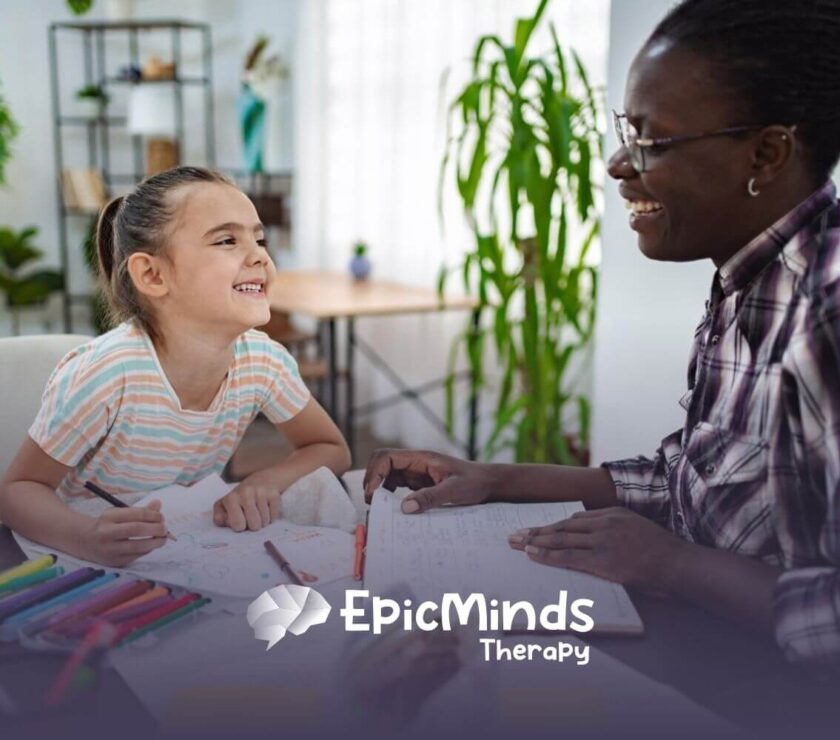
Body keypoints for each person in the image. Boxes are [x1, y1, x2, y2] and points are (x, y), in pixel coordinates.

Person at [364, 0, 840, 665]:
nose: (619, 165)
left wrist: (673, 565)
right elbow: (687, 478)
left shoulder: (826, 306)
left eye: (653, 140)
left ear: (765, 153)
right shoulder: (750, 282)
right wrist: (493, 479)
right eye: (626, 130)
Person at [0, 167, 351, 567]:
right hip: (82, 556)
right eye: (226, 240)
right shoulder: (107, 373)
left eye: (259, 238)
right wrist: (87, 537)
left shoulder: (263, 362)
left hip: (182, 547)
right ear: (152, 274)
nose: (259, 255)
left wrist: (264, 481)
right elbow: (17, 490)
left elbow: (330, 447)